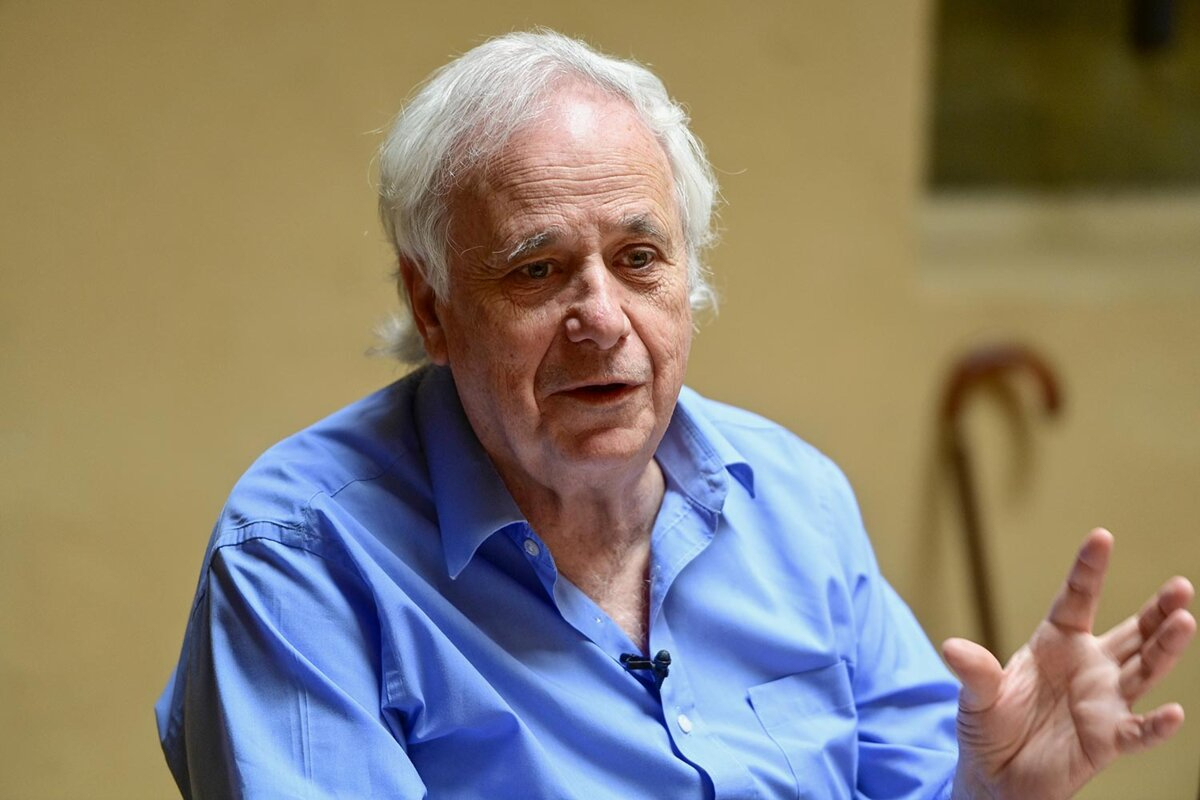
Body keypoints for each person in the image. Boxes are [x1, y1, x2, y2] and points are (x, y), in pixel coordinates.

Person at [155, 30, 1195, 799]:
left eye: (639, 258)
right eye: (537, 270)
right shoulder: (302, 555)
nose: (601, 318)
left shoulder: (794, 499)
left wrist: (994, 788)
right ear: (432, 308)